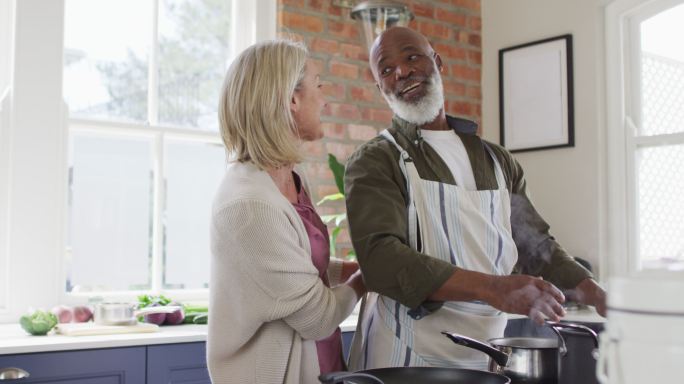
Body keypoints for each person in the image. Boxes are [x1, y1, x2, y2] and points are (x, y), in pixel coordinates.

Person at [344, 27, 606, 371]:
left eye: (411, 57)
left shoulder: (497, 161)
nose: (402, 72)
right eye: (387, 70)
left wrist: (599, 296)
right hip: (405, 357)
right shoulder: (377, 160)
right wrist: (492, 288)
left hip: (486, 356)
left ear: (437, 62)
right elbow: (381, 261)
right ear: (381, 88)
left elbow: (534, 246)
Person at [208, 40, 365, 384]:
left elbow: (302, 268)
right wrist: (366, 280)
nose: (324, 99)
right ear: (292, 100)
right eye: (318, 84)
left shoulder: (287, 179)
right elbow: (318, 318)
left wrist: (354, 268)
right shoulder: (250, 206)